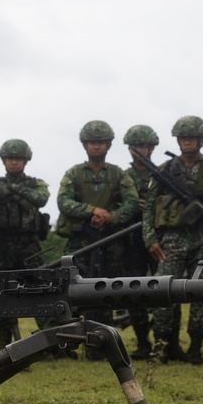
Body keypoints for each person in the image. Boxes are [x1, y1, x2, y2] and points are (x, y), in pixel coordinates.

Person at [142, 117, 203, 364]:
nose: (187, 142)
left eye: (192, 137)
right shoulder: (165, 169)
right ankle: (161, 348)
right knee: (162, 293)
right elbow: (149, 207)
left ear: (202, 140)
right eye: (183, 138)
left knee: (200, 295)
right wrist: (150, 238)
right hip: (172, 239)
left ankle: (196, 348)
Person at [55, 120, 138, 357]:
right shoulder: (74, 173)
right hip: (80, 242)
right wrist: (92, 210)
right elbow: (64, 202)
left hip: (109, 242)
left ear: (109, 144)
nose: (96, 146)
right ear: (85, 145)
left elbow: (132, 203)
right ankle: (66, 345)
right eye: (92, 142)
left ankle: (102, 345)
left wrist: (111, 217)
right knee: (69, 293)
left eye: (101, 142)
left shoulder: (117, 174)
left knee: (106, 292)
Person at [0, 139, 50, 349]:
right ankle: (4, 342)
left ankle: (50, 340)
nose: (14, 163)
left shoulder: (35, 183)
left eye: (18, 158)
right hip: (2, 246)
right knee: (4, 294)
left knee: (42, 291)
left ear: (25, 160)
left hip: (30, 245)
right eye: (10, 158)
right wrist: (6, 190)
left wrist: (14, 190)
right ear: (3, 160)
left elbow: (42, 198)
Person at [121, 124, 161, 360]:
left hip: (158, 238)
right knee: (134, 291)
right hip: (129, 240)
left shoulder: (162, 174)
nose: (140, 151)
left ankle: (163, 341)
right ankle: (142, 342)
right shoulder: (123, 176)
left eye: (144, 146)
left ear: (152, 147)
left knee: (161, 289)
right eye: (135, 147)